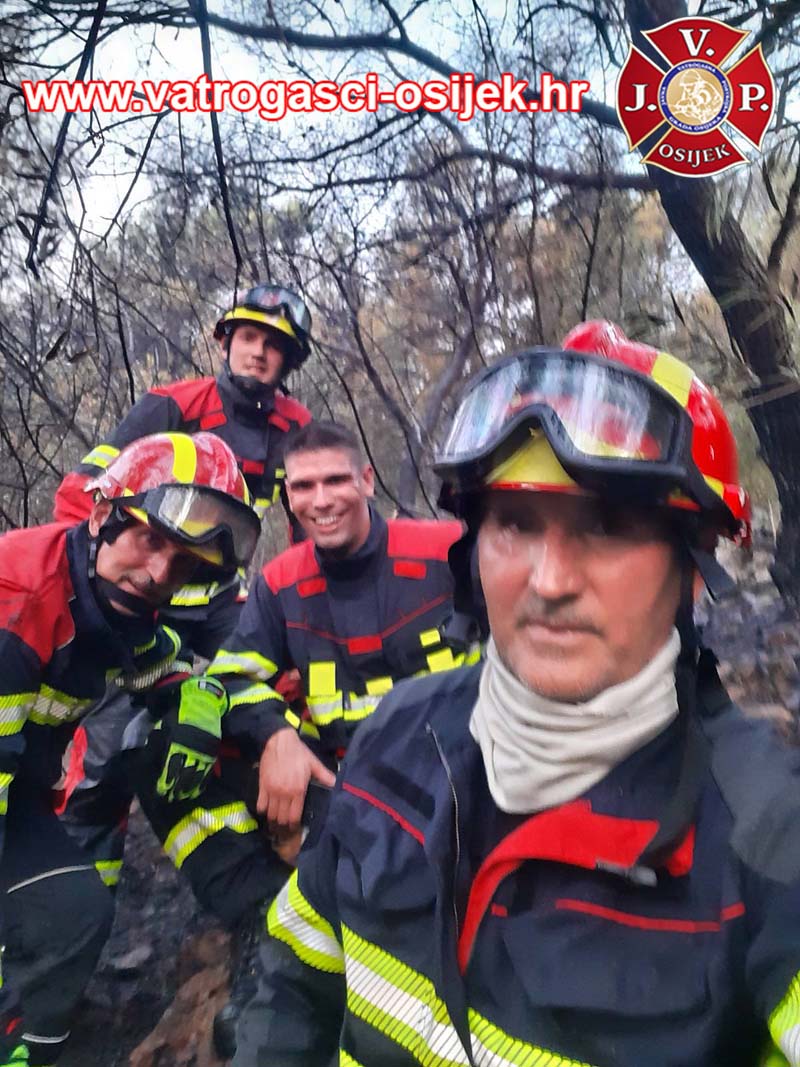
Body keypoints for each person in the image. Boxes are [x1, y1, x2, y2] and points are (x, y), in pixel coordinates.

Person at [233, 321, 800, 1067]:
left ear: (694, 568)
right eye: (515, 523)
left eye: (608, 526)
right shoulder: (395, 737)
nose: (550, 581)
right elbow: (292, 984)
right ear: (473, 553)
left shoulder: (766, 836)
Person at [198, 419, 481, 1056]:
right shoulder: (281, 583)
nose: (320, 500)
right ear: (287, 497)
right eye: (303, 487)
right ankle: (267, 945)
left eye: (334, 481)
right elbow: (230, 677)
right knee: (181, 738)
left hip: (467, 779)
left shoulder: (444, 552)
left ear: (366, 480)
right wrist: (277, 737)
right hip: (349, 792)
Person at [0, 431, 260, 1067]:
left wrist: (198, 703)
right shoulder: (17, 600)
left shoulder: (111, 606)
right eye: (150, 541)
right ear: (100, 515)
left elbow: (160, 664)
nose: (159, 575)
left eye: (185, 565)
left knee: (74, 913)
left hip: (16, 791)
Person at [54, 282, 313, 894]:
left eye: (274, 345)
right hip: (143, 598)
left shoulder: (296, 428)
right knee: (105, 749)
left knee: (283, 697)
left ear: (288, 361)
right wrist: (89, 590)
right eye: (248, 337)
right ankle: (80, 891)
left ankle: (281, 851)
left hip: (223, 604)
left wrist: (304, 606)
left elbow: (308, 523)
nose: (258, 352)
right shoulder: (171, 404)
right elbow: (84, 492)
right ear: (225, 342)